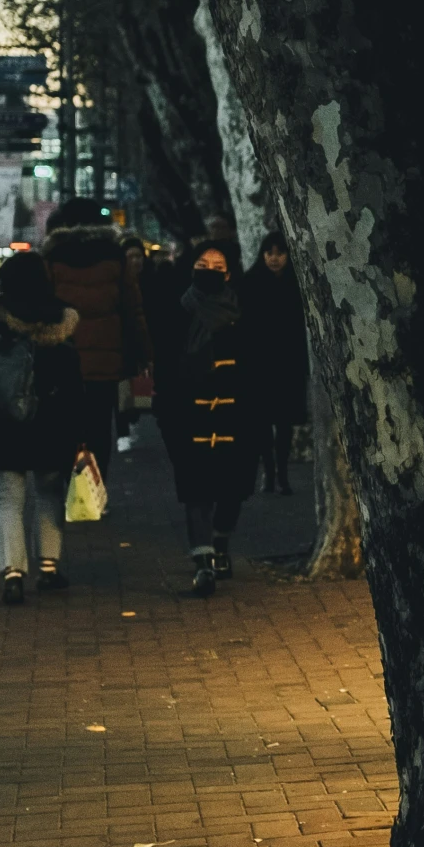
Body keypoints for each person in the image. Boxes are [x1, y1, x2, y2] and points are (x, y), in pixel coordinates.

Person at [0, 251, 84, 603]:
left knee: (8, 497)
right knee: (49, 493)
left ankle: (12, 573)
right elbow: (74, 382)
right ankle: (49, 568)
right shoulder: (62, 319)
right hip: (52, 418)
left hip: (3, 416)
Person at [165, 239, 263, 596]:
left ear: (229, 272)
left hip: (237, 411)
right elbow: (166, 361)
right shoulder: (179, 309)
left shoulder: (244, 309)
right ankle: (203, 561)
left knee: (233, 488)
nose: (209, 270)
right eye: (202, 264)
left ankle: (221, 542)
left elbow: (258, 362)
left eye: (217, 265)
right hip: (191, 412)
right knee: (196, 489)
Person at [42, 199, 148, 467]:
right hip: (106, 359)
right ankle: (96, 496)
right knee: (100, 428)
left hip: (63, 357)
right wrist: (143, 353)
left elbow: (43, 307)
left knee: (68, 428)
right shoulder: (114, 256)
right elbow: (132, 309)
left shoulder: (53, 257)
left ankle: (73, 490)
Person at [242, 234, 309, 496]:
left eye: (280, 252)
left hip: (288, 365)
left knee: (284, 424)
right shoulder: (249, 283)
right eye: (269, 252)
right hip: (257, 366)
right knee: (261, 423)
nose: (274, 258)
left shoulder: (297, 284)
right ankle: (269, 473)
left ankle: (281, 474)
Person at [115, 234, 151, 452]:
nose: (136, 261)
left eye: (139, 256)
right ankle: (124, 429)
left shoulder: (152, 279)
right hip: (123, 343)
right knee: (124, 387)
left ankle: (132, 420)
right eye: (131, 256)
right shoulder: (118, 285)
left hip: (146, 341)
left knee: (140, 389)